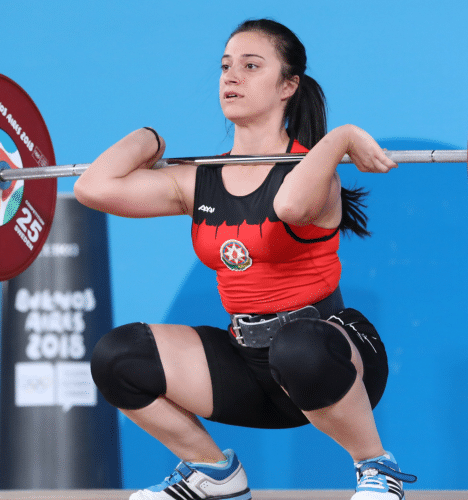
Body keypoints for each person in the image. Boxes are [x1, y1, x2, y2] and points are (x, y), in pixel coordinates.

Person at [74, 18, 416, 500]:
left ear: (288, 86)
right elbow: (91, 188)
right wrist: (149, 138)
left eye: (251, 66)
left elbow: (290, 207)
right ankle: (212, 472)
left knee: (297, 348)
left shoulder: (316, 173)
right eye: (225, 66)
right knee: (117, 356)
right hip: (248, 364)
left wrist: (339, 138)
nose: (231, 77)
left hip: (331, 360)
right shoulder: (197, 180)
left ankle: (377, 466)